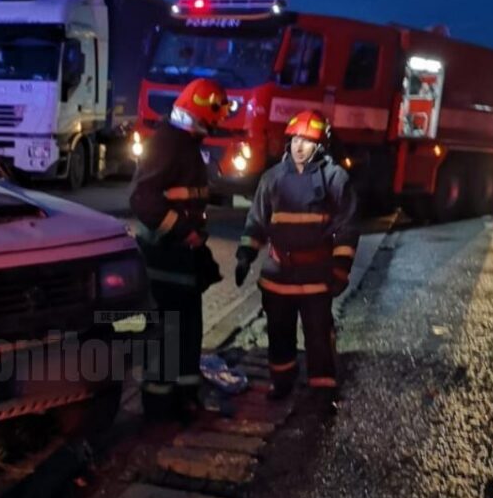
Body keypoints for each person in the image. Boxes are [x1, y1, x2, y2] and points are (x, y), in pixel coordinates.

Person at [234, 110, 358, 406]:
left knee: (318, 336)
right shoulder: (272, 178)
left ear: (320, 145)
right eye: (295, 140)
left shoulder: (335, 178)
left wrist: (340, 269)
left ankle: (323, 389)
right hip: (278, 276)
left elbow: (347, 227)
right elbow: (256, 221)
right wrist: (245, 254)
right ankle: (282, 382)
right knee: (279, 334)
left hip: (316, 277)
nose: (299, 147)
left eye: (306, 141)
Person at [130, 77, 227, 420]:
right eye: (210, 119)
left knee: (188, 328)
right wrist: (184, 231)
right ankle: (158, 405)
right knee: (166, 329)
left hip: (183, 259)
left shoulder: (184, 143)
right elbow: (143, 199)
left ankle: (185, 395)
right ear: (195, 113)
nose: (213, 126)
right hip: (163, 257)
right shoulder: (167, 142)